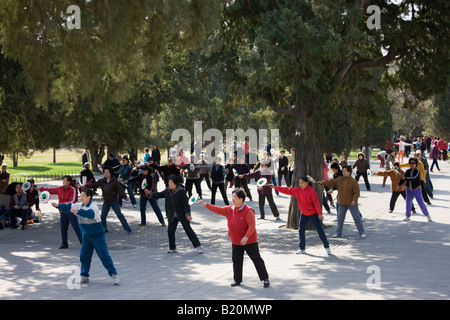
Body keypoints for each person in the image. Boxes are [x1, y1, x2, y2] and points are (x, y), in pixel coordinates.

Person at [199, 189, 270, 288]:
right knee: (236, 260)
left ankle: (265, 278)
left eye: (234, 197)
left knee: (256, 259)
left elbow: (252, 225)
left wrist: (246, 236)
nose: (232, 199)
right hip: (236, 241)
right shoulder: (230, 209)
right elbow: (218, 209)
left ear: (241, 199)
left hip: (249, 241)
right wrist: (205, 204)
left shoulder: (248, 210)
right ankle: (237, 280)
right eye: (232, 197)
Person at [53, 188, 120, 285]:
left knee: (104, 256)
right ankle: (84, 276)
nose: (81, 198)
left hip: (97, 235)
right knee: (84, 256)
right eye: (81, 195)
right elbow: (68, 206)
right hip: (86, 236)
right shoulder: (79, 205)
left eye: (83, 196)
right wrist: (58, 206)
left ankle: (114, 275)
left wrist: (77, 212)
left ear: (89, 197)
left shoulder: (93, 207)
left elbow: (90, 214)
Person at [271, 177, 331, 255]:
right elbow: (288, 190)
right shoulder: (298, 190)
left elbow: (316, 203)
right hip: (304, 214)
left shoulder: (311, 191)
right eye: (299, 183)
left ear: (307, 182)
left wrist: (320, 214)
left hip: (313, 214)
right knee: (301, 230)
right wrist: (275, 187)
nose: (300, 184)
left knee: (320, 230)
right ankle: (302, 248)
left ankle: (327, 247)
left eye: (302, 182)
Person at [149, 175, 202, 254]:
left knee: (188, 230)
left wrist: (187, 214)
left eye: (171, 182)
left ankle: (198, 246)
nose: (169, 184)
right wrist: (150, 193)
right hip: (172, 215)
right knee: (170, 231)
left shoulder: (181, 191)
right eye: (168, 182)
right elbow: (159, 195)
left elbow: (186, 204)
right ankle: (172, 248)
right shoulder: (167, 190)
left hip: (182, 215)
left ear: (176, 183)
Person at [319, 166, 366, 238]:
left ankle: (362, 232)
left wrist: (354, 200)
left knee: (356, 218)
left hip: (351, 203)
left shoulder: (353, 181)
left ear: (349, 172)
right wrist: (323, 182)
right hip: (342, 202)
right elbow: (331, 182)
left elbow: (357, 192)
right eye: (343, 171)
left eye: (345, 171)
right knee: (340, 219)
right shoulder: (340, 180)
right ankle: (338, 233)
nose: (343, 173)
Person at [39, 176, 83, 248]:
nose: (63, 182)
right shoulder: (60, 189)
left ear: (69, 182)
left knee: (76, 228)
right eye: (63, 180)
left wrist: (59, 205)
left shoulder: (73, 190)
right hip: (63, 213)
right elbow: (51, 190)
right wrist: (41, 189)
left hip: (71, 212)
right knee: (63, 229)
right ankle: (64, 244)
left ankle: (83, 243)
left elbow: (72, 201)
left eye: (65, 180)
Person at [90, 167, 132, 233]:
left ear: (110, 173)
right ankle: (104, 228)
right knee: (103, 216)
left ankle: (127, 228)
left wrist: (125, 197)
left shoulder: (115, 181)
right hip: (106, 201)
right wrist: (86, 186)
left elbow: (120, 190)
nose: (105, 173)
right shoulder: (102, 181)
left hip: (114, 201)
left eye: (107, 172)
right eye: (104, 172)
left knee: (119, 215)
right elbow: (95, 184)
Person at [398, 158, 432, 222]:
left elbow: (413, 178)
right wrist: (399, 184)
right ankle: (407, 216)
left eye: (413, 163)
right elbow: (403, 178)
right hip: (409, 189)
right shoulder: (407, 171)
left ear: (416, 164)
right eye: (410, 163)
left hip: (416, 189)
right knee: (408, 203)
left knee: (421, 203)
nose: (412, 164)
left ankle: (427, 215)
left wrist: (405, 178)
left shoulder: (417, 171)